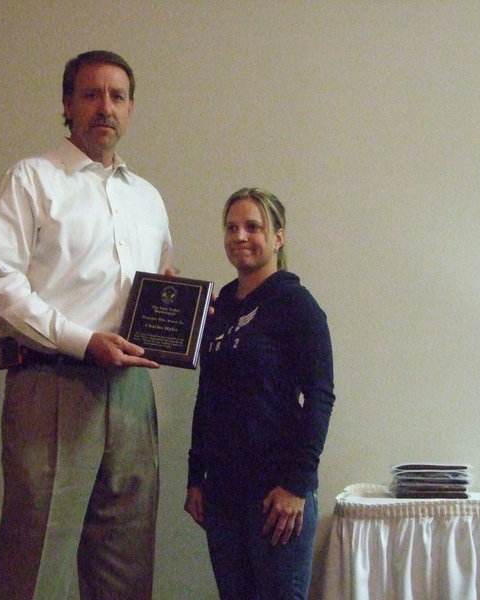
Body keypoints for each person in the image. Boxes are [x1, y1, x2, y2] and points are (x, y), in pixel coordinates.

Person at [0, 50, 173, 600]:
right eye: (91, 94)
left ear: (131, 109)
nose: (105, 107)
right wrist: (83, 342)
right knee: (34, 564)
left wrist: (168, 300)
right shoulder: (31, 180)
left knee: (127, 568)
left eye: (118, 96)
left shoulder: (148, 200)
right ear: (67, 104)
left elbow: (151, 292)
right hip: (52, 385)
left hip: (132, 393)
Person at [184, 188, 335, 600]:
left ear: (278, 238)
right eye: (231, 227)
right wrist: (196, 477)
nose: (240, 236)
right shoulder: (218, 310)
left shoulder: (297, 305)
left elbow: (320, 398)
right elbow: (207, 397)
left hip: (275, 498)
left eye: (253, 226)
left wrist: (296, 486)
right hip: (223, 495)